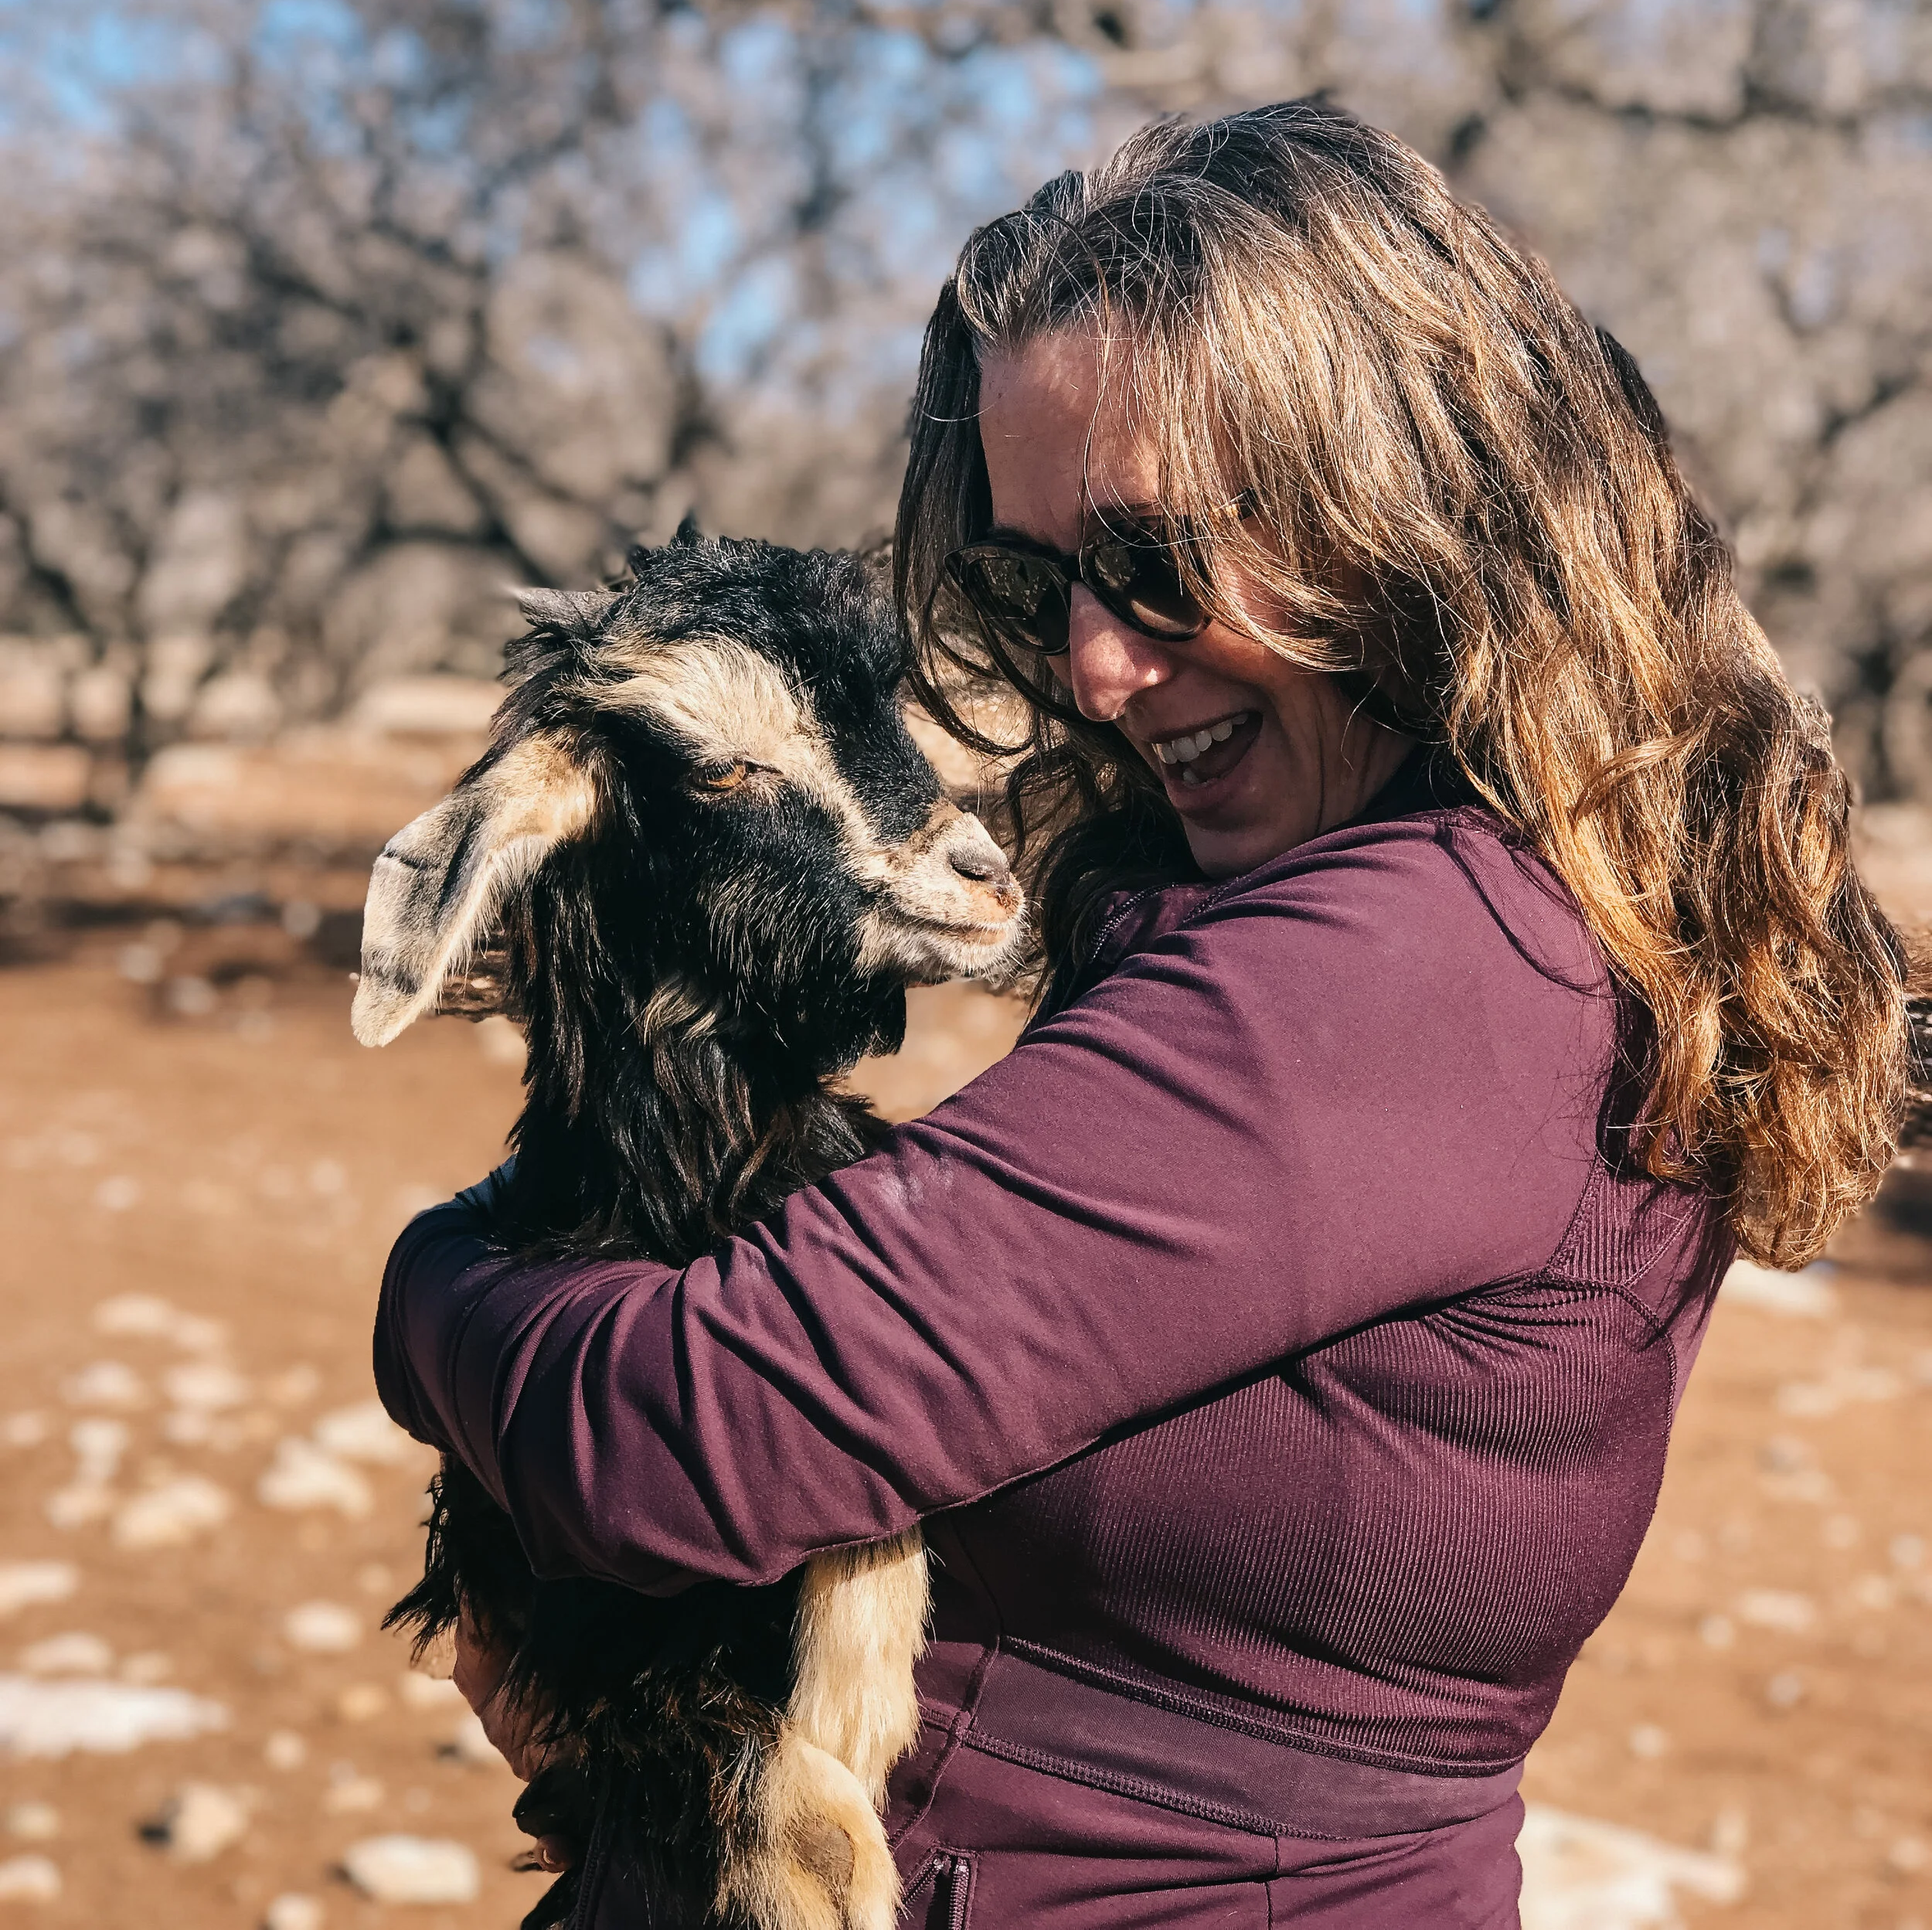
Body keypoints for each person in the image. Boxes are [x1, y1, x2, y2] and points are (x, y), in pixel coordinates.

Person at [374, 99, 1906, 1927]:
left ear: (1399, 513)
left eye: (1163, 563)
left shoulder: (1407, 966)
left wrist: (435, 1280)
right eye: (1042, 585)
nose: (1095, 664)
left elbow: (679, 1430)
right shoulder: (1463, 916)